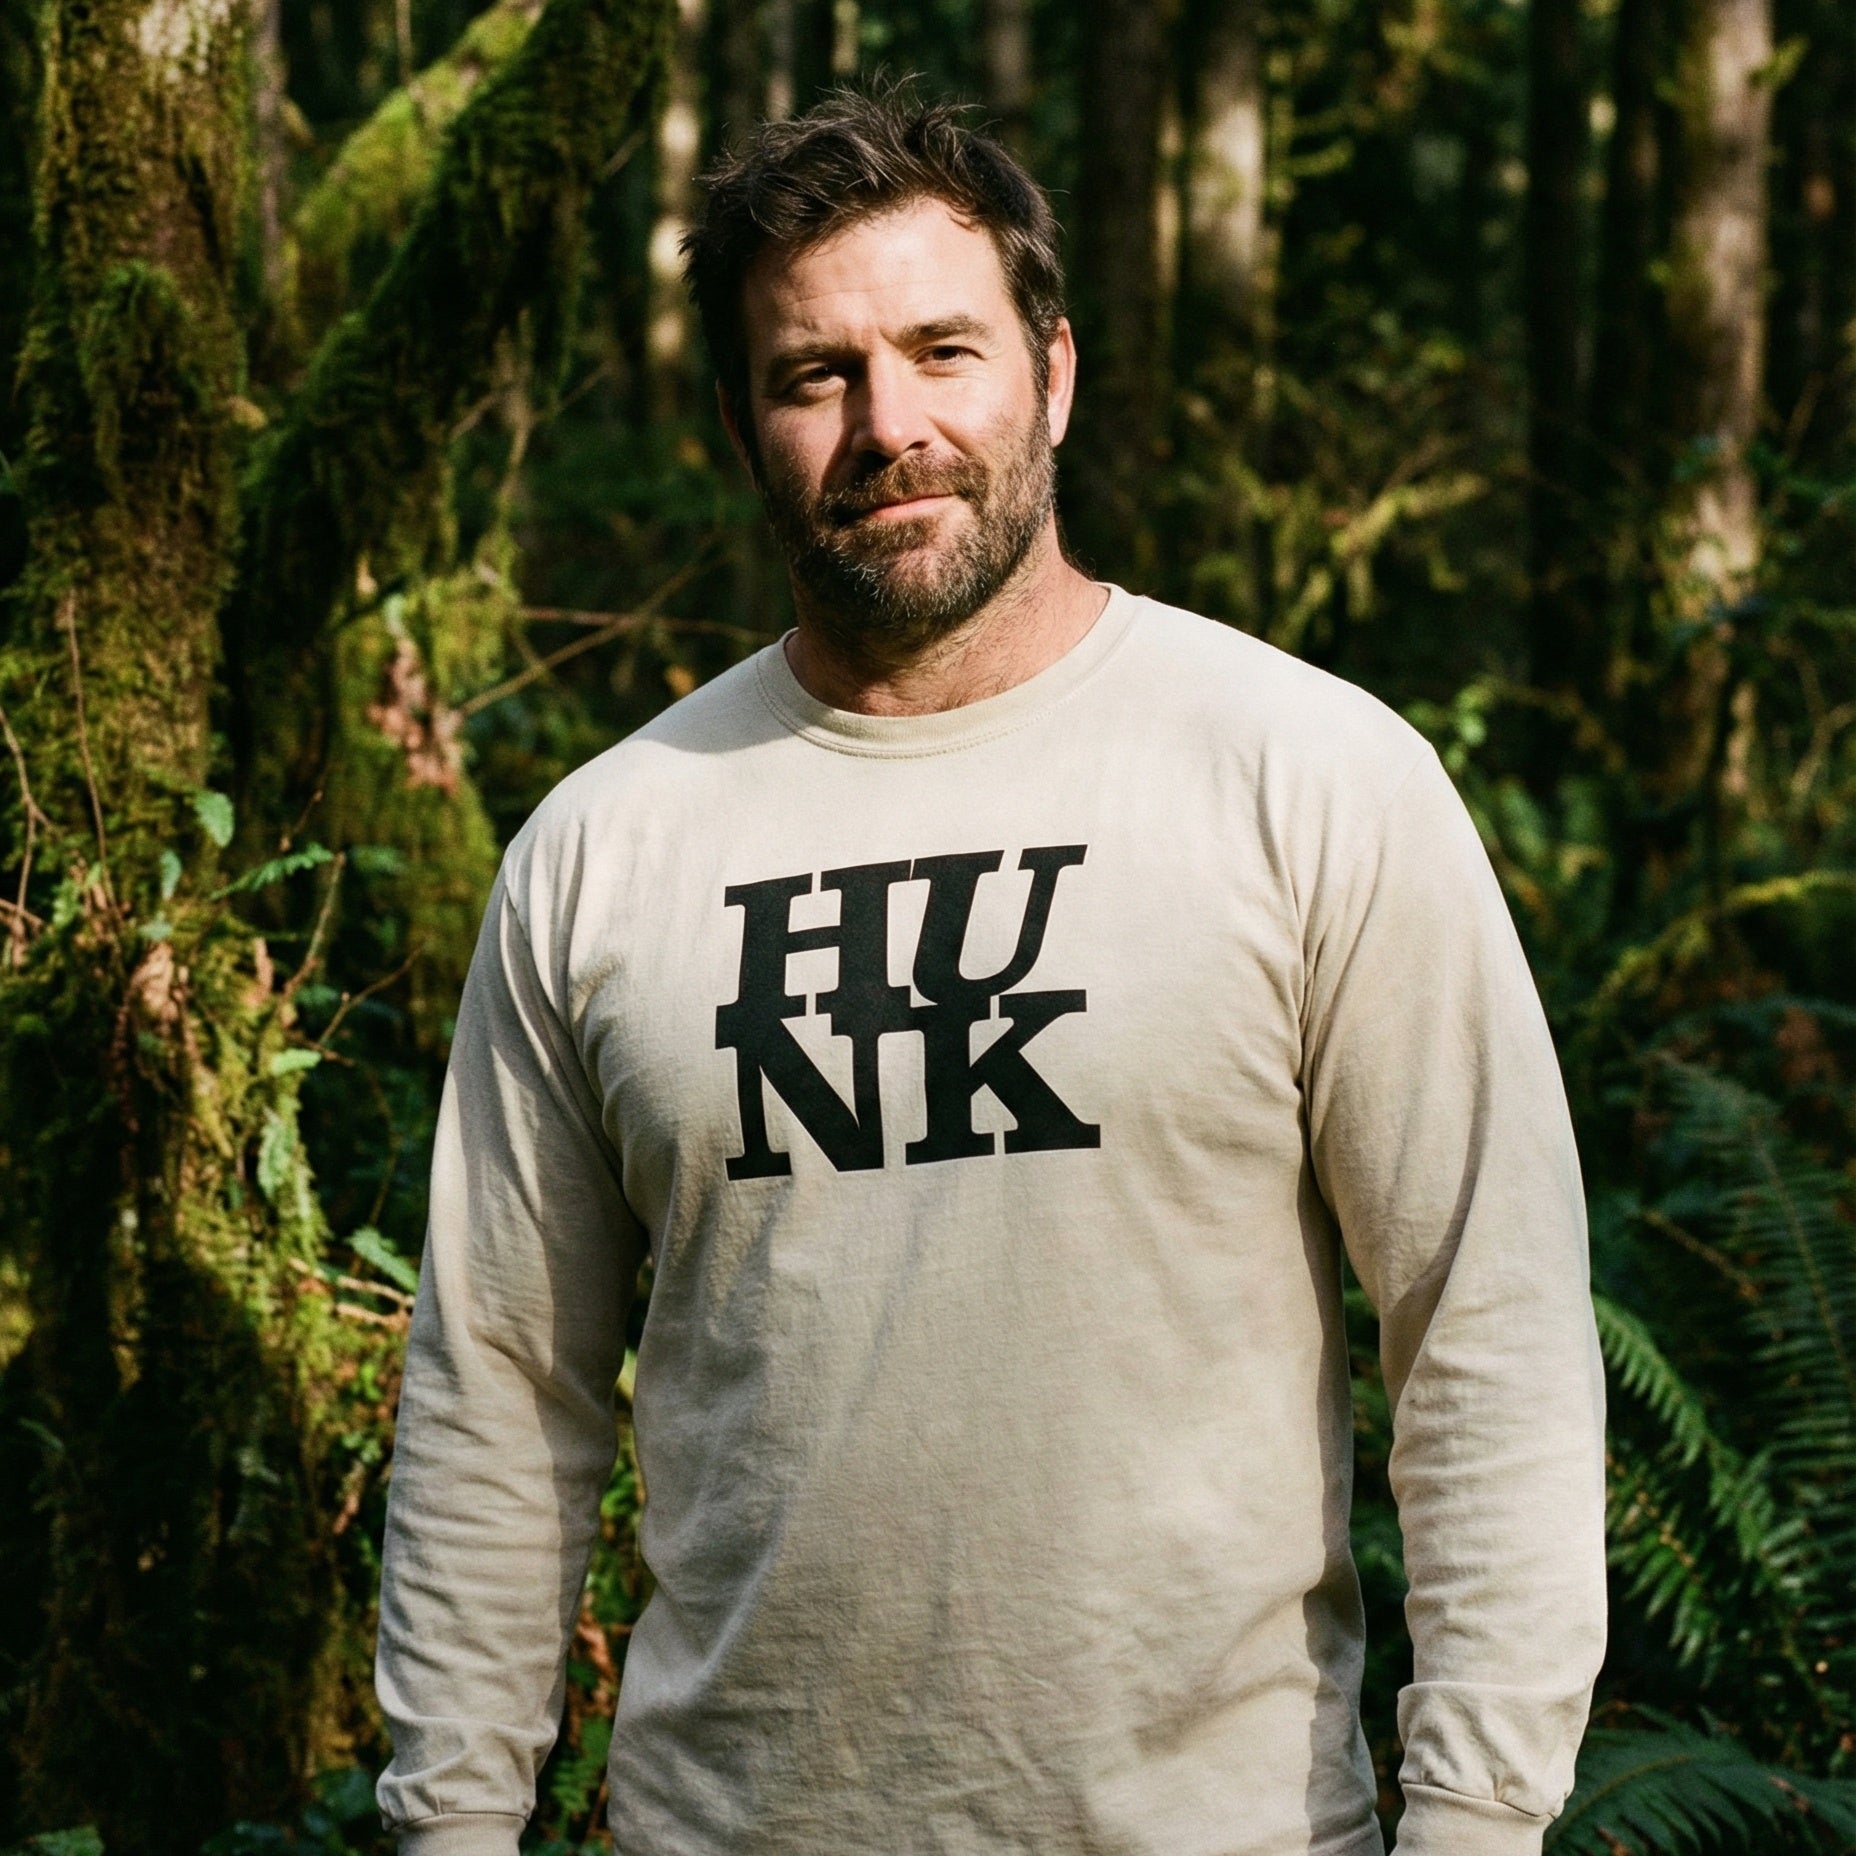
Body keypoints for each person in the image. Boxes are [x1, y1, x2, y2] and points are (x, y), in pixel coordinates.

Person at [375, 87, 1606, 1856]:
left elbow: (1486, 1335)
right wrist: (447, 1828)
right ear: (741, 423)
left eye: (944, 350)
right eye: (818, 376)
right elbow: (499, 1396)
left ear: (1054, 371)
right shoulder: (603, 848)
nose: (891, 427)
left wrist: (1479, 1821)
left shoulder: (1306, 777)